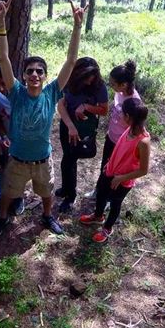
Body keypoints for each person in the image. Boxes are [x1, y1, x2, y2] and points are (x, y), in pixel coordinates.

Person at [0, 0, 87, 239]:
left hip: (43, 160)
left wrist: (77, 27)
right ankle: (2, 219)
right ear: (23, 76)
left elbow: (71, 61)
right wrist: (0, 22)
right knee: (8, 194)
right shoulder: (16, 93)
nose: (34, 74)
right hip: (18, 160)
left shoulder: (52, 92)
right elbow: (3, 58)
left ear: (45, 76)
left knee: (46, 192)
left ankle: (47, 216)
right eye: (30, 71)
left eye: (39, 71)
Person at [78, 97, 150, 243]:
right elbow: (120, 149)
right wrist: (109, 163)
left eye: (122, 113)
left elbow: (143, 170)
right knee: (101, 195)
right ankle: (98, 217)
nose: (120, 116)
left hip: (122, 181)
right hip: (110, 171)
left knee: (115, 204)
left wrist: (120, 178)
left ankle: (107, 229)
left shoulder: (143, 141)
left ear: (128, 117)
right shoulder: (129, 128)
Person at [55, 56, 109, 214]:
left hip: (84, 127)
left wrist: (86, 106)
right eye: (85, 79)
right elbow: (61, 104)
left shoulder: (99, 86)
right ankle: (66, 188)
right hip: (67, 124)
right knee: (67, 157)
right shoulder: (68, 80)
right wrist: (70, 125)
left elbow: (104, 110)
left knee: (70, 159)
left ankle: (70, 196)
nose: (88, 83)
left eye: (91, 79)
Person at [84, 60, 142, 199]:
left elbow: (135, 127)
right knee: (105, 165)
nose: (110, 86)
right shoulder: (120, 93)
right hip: (111, 137)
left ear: (124, 84)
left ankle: (109, 198)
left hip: (121, 143)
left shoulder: (134, 101)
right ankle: (98, 190)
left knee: (116, 170)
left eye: (113, 84)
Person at [0, 65, 24, 217]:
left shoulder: (25, 96)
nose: (2, 88)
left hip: (23, 144)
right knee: (2, 169)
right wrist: (4, 137)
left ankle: (18, 199)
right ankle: (0, 194)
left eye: (4, 83)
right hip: (5, 142)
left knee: (19, 172)